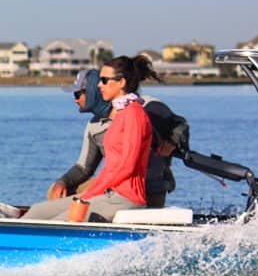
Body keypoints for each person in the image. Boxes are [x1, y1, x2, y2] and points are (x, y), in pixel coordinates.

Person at [22, 55, 168, 221]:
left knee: (61, 220)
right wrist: (90, 193)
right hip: (109, 194)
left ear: (121, 83)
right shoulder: (120, 114)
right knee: (36, 212)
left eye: (104, 80)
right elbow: (108, 167)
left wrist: (90, 194)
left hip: (125, 198)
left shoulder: (134, 115)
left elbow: (127, 167)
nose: (99, 85)